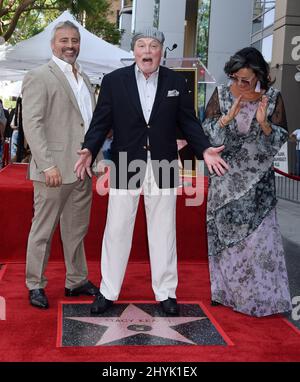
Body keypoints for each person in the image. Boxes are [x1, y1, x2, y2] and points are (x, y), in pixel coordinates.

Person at [75, 27, 228, 316]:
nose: (147, 51)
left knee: (164, 231)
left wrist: (204, 148)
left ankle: (166, 293)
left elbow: (189, 121)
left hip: (164, 163)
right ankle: (108, 291)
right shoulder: (113, 81)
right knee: (117, 229)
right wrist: (89, 148)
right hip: (125, 163)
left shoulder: (176, 82)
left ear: (161, 52)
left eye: (153, 45)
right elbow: (100, 121)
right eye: (142, 45)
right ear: (134, 51)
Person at [202, 47, 292, 317]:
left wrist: (264, 123)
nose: (239, 85)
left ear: (259, 77)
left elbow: (277, 142)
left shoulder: (273, 99)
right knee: (226, 240)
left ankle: (260, 298)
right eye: (235, 78)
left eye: (246, 80)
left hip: (258, 184)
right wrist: (227, 119)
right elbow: (210, 139)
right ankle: (225, 293)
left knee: (258, 243)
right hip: (225, 180)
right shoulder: (220, 95)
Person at [22, 21, 98, 309]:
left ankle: (76, 280)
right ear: (53, 44)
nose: (70, 45)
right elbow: (33, 123)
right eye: (64, 40)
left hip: (83, 168)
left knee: (76, 229)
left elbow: (87, 122)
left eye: (75, 40)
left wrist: (96, 159)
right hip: (52, 170)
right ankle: (35, 284)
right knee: (42, 230)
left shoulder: (86, 78)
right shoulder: (39, 76)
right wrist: (47, 164)